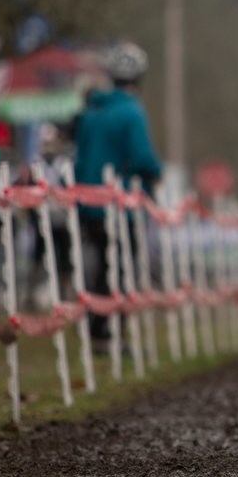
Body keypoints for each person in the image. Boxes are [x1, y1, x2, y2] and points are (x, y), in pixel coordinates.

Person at [73, 41, 162, 350]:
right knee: (121, 269)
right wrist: (155, 171)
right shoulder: (131, 112)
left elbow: (80, 158)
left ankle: (95, 327)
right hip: (121, 206)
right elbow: (141, 158)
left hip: (89, 203)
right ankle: (111, 333)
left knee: (98, 266)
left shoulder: (90, 113)